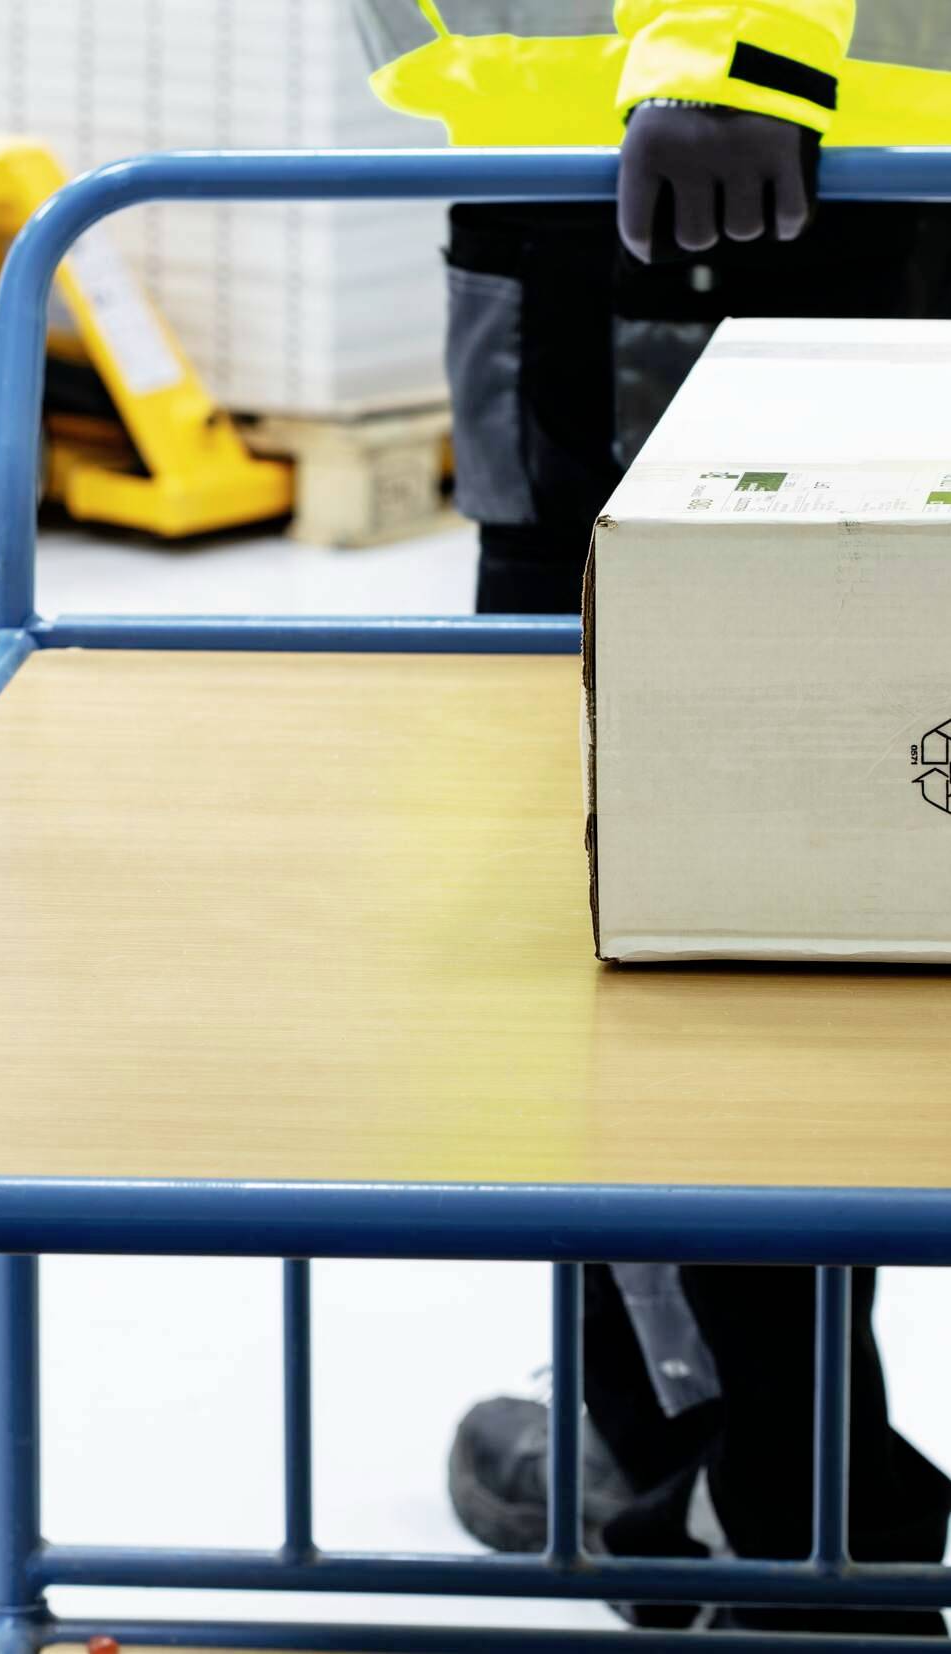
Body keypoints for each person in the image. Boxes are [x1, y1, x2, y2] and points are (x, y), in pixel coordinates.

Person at [350, 2, 951, 1635]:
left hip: (690, 182)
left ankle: (766, 1482)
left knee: (665, 843)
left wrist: (731, 57)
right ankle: (672, 1437)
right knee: (724, 823)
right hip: (688, 169)